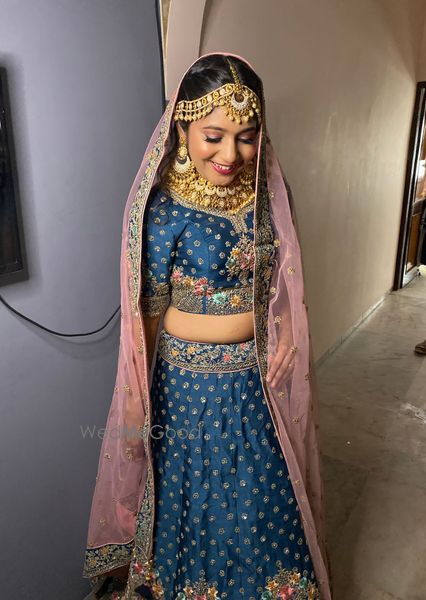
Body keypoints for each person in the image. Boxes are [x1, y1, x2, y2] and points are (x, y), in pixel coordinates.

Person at [82, 52, 332, 600]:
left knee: (262, 501)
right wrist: (135, 401)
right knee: (197, 503)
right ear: (182, 129)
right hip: (187, 392)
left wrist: (289, 336)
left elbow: (284, 284)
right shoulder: (164, 211)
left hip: (256, 385)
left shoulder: (267, 199)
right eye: (214, 136)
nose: (230, 154)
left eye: (246, 137)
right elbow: (146, 317)